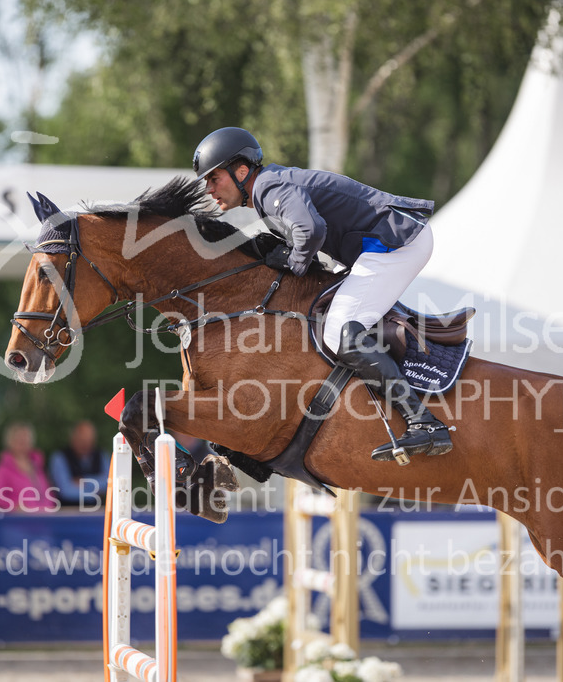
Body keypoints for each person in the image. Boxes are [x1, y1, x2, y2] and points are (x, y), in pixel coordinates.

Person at [193, 127, 453, 462]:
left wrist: (293, 261)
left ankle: (425, 423)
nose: (210, 189)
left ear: (241, 171)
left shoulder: (270, 186)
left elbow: (311, 231)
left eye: (214, 178)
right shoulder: (269, 191)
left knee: (339, 330)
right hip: (391, 241)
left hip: (397, 241)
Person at [0, 422, 56, 512]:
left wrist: (49, 509)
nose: (23, 441)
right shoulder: (3, 469)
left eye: (26, 437)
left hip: (42, 520)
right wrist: (16, 506)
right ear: (10, 441)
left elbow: (48, 494)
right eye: (19, 438)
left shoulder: (37, 465)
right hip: (16, 521)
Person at [48, 420, 108, 507]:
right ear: (73, 438)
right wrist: (95, 492)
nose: (85, 445)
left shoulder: (102, 455)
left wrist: (84, 481)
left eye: (89, 441)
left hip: (97, 512)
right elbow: (66, 491)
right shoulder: (59, 458)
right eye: (82, 441)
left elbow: (109, 483)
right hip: (68, 513)